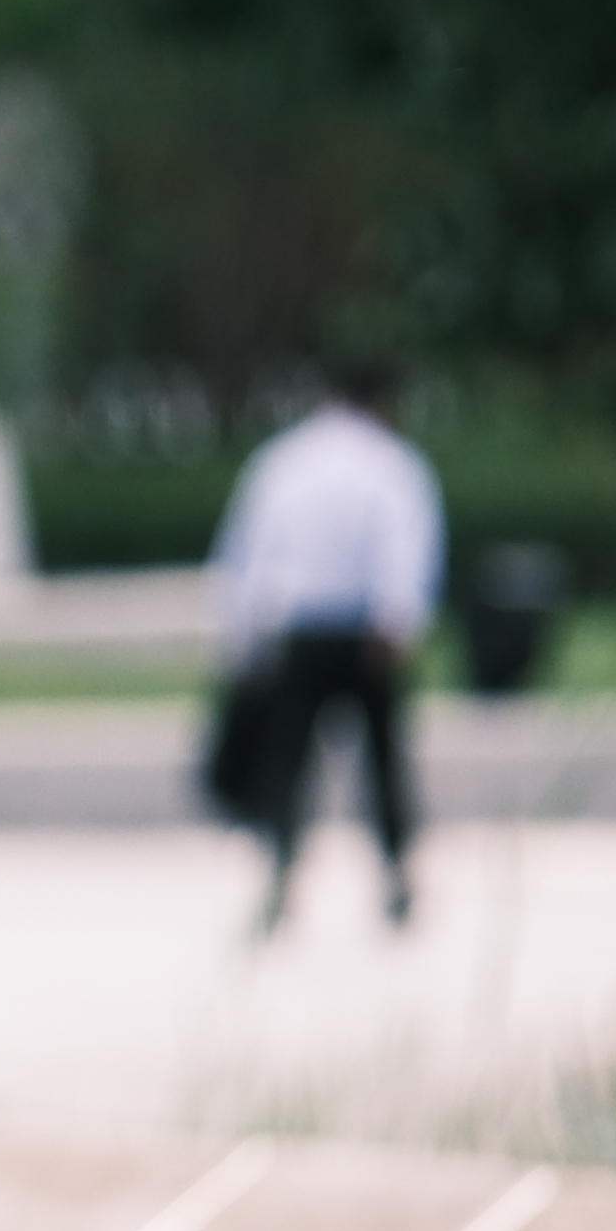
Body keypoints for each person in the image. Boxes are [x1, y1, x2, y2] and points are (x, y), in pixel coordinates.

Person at [200, 357, 447, 934]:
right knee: (383, 763)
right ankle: (396, 874)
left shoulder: (284, 462)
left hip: (298, 631)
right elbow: (405, 545)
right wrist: (400, 619)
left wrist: (243, 638)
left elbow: (249, 552)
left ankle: (281, 873)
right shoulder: (393, 465)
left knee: (287, 763)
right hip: (368, 635)